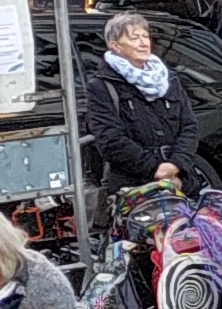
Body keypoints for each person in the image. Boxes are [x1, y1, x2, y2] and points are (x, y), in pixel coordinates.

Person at [83, 11, 211, 200]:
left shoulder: (169, 79)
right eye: (135, 38)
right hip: (133, 188)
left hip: (181, 182)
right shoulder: (101, 86)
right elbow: (110, 139)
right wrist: (156, 170)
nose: (144, 43)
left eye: (145, 36)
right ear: (115, 46)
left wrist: (176, 164)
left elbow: (189, 126)